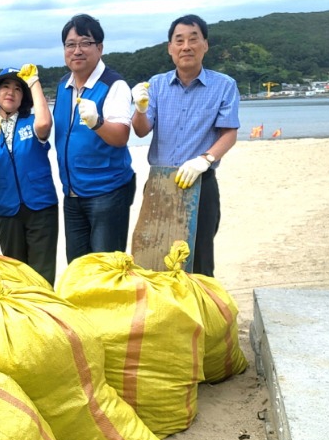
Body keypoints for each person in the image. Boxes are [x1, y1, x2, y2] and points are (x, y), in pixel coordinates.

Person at [131, 14, 240, 277]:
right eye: (178, 41)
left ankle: (202, 316)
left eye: (194, 39)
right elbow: (141, 130)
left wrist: (206, 159)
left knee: (199, 259)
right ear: (170, 48)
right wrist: (140, 108)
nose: (186, 46)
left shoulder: (224, 85)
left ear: (205, 45)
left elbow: (229, 133)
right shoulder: (156, 84)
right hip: (159, 182)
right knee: (154, 256)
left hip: (201, 182)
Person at [52, 14, 136, 263]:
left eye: (85, 43)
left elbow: (121, 136)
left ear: (99, 47)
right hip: (72, 193)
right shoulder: (63, 85)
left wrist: (97, 122)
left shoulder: (114, 84)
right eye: (70, 44)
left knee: (106, 268)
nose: (77, 50)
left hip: (107, 192)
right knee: (78, 269)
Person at [0, 64, 59, 285]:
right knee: (14, 273)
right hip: (7, 208)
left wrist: (34, 82)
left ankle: (44, 315)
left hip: (41, 205)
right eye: (5, 86)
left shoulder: (31, 123)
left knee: (42, 273)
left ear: (25, 97)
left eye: (18, 88)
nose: (11, 92)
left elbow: (44, 123)